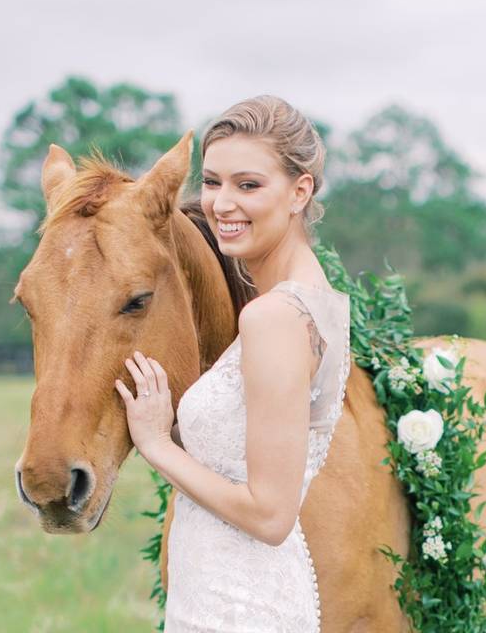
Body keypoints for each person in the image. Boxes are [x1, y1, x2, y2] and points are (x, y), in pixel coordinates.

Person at [114, 95, 351, 632]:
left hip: (236, 609)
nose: (222, 203)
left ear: (300, 191)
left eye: (248, 185)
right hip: (237, 594)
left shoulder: (274, 318)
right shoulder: (319, 302)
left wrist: (156, 444)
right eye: (213, 181)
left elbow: (270, 514)